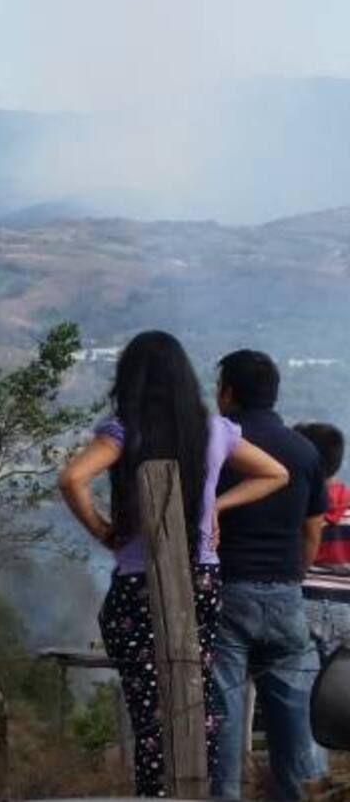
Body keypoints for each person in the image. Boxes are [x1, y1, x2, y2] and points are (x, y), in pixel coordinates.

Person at [58, 331, 287, 798]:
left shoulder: (124, 430)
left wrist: (104, 531)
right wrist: (216, 508)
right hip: (202, 578)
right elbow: (275, 473)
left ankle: (155, 794)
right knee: (191, 698)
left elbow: (72, 478)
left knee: (151, 711)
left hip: (138, 584)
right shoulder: (214, 431)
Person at [210, 350, 328, 801]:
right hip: (284, 596)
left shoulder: (219, 446)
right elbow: (312, 529)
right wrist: (292, 575)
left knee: (224, 713)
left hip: (228, 593)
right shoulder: (303, 451)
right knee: (295, 721)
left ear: (229, 393)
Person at [295, 422, 350, 658]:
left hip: (301, 604)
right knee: (337, 690)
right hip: (346, 608)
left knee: (299, 687)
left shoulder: (296, 508)